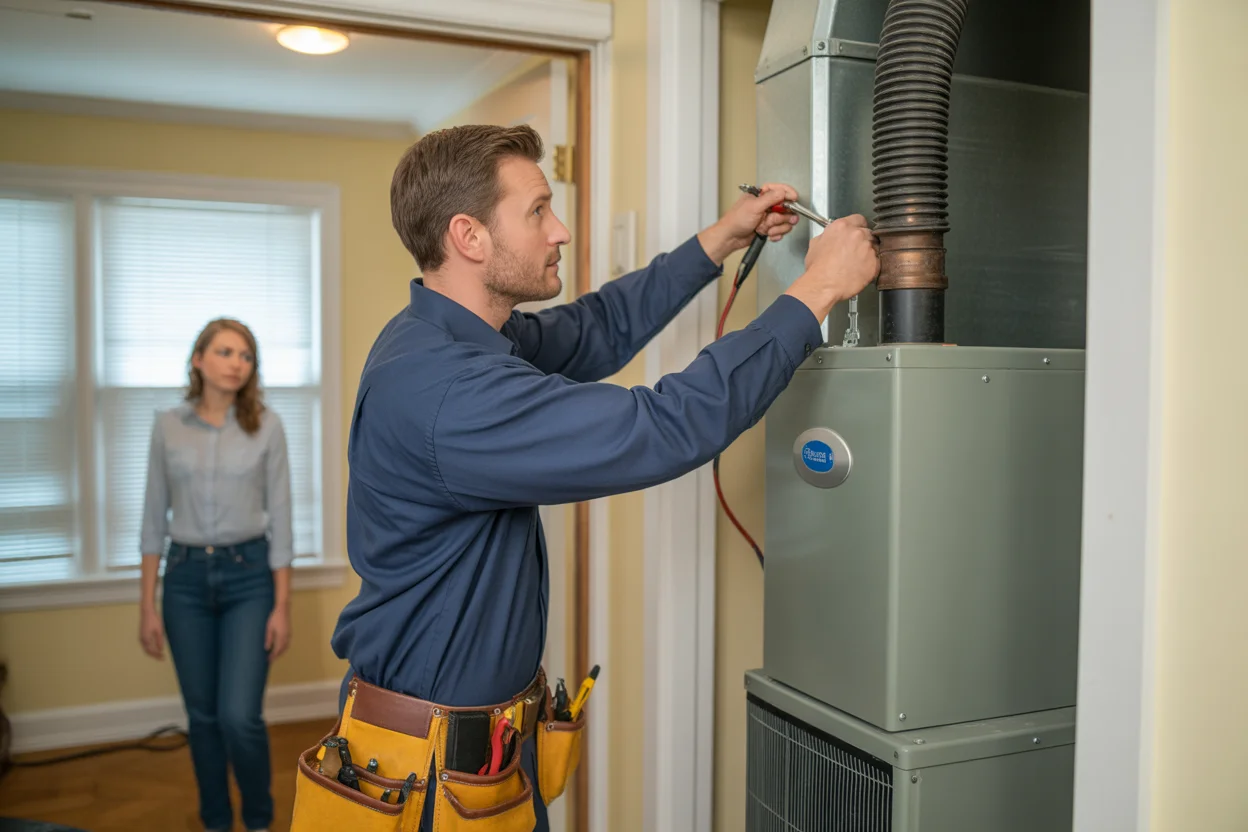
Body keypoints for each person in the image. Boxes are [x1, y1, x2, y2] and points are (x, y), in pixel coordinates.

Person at [313, 124, 877, 832]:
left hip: (476, 756)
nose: (562, 230)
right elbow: (663, 426)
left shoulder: (455, 335)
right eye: (538, 210)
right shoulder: (447, 391)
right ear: (469, 236)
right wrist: (816, 289)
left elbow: (596, 328)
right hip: (427, 780)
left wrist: (722, 237)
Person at [138, 317, 293, 832]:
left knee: (239, 717)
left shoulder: (267, 426)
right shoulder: (167, 426)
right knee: (202, 719)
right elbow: (151, 519)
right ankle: (216, 821)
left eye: (246, 355)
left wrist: (281, 606)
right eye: (225, 352)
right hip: (183, 581)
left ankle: (259, 821)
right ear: (199, 359)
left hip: (250, 578)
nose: (236, 363)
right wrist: (147, 606)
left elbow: (283, 520)